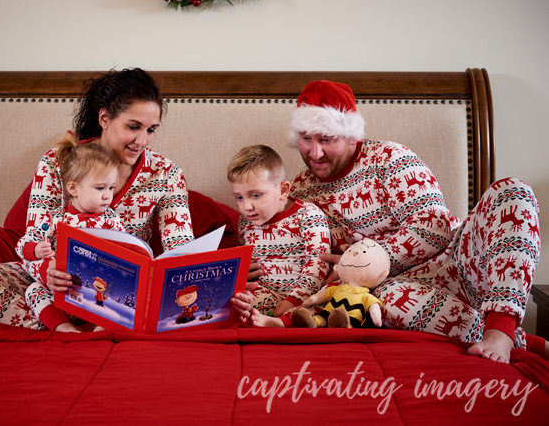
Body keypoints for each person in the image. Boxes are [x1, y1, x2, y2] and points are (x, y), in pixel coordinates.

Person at [232, 79, 545, 363]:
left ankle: (502, 330)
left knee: (512, 190)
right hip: (391, 293)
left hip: (459, 262)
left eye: (327, 139)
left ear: (351, 134)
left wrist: (364, 262)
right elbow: (297, 254)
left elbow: (434, 228)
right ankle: (520, 342)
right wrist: (252, 268)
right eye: (305, 138)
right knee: (384, 301)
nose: (315, 153)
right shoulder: (297, 190)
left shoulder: (391, 159)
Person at [0, 68, 195, 330]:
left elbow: (181, 250)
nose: (143, 140)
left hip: (121, 290)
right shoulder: (57, 161)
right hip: (51, 283)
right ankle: (64, 325)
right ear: (104, 118)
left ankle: (75, 323)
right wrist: (47, 271)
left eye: (151, 130)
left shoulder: (167, 173)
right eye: (133, 127)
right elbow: (35, 240)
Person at [17, 137, 124, 332]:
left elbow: (127, 249)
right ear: (73, 188)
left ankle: (102, 326)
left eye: (111, 187)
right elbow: (23, 245)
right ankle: (65, 328)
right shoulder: (56, 220)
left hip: (98, 291)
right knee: (33, 291)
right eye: (100, 188)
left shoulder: (112, 221)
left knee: (119, 295)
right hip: (64, 291)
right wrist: (37, 250)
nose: (107, 195)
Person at [227, 144, 330, 328]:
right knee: (234, 304)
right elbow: (243, 262)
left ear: (283, 191)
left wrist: (293, 299)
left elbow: (318, 264)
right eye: (239, 197)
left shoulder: (308, 215)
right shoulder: (245, 223)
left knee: (326, 297)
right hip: (266, 292)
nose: (246, 207)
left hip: (304, 292)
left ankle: (282, 323)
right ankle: (262, 318)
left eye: (255, 195)